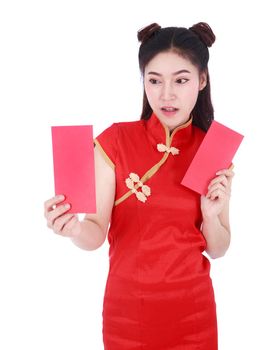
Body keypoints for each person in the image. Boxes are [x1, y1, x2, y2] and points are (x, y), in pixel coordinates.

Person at [44, 22, 234, 350]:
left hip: (194, 313)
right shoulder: (115, 141)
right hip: (128, 313)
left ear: (202, 80)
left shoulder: (212, 149)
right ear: (143, 80)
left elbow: (218, 249)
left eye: (181, 80)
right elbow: (94, 232)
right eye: (154, 80)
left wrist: (211, 214)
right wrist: (73, 229)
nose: (166, 94)